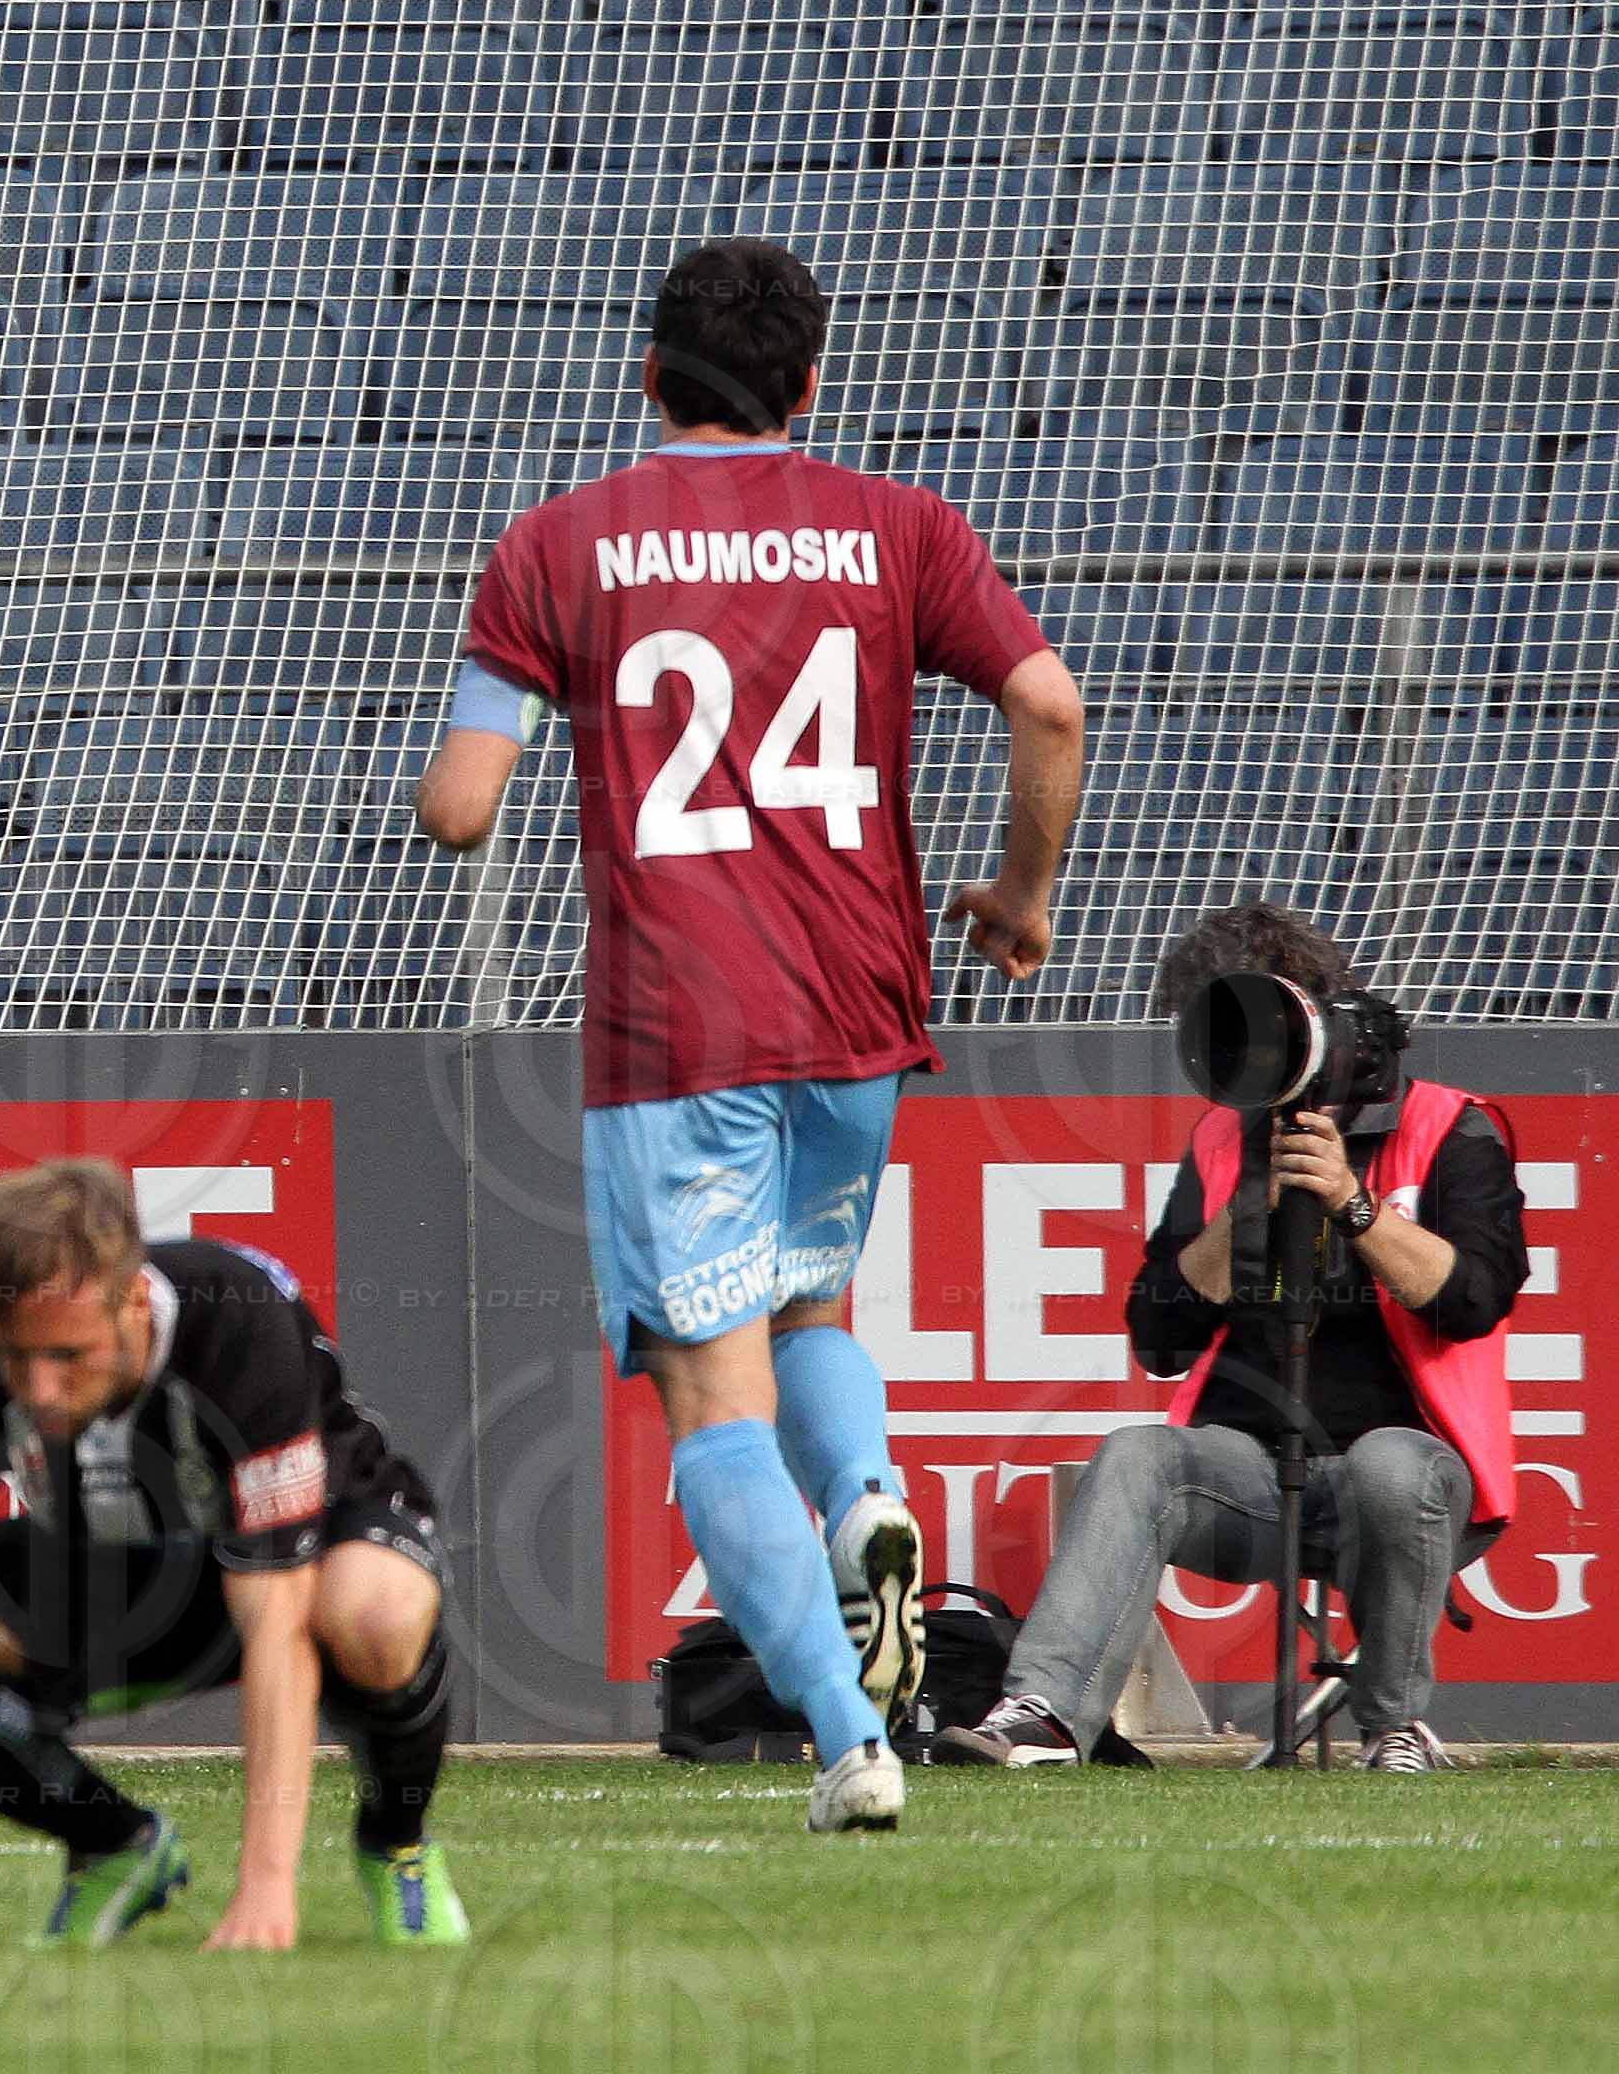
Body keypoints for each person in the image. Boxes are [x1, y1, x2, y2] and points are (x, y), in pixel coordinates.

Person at [412, 238, 1087, 1833]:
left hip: (678, 1034)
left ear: (648, 377)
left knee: (711, 1400)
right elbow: (1050, 703)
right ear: (808, 387)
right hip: (860, 1007)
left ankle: (851, 1742)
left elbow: (458, 809)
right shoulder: (898, 526)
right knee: (813, 1308)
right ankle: (869, 1502)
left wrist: (479, 764)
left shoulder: (557, 546)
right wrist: (1023, 894)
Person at [0, 1161, 465, 1954]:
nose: (39, 1388)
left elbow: (276, 1622)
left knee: (376, 1610)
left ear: (132, 1302)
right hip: (125, 1575)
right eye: (17, 1357)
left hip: (307, 1566)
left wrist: (265, 1892)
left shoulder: (239, 1321)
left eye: (68, 1356)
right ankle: (115, 1844)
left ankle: (395, 1843)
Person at [943, 903, 1525, 1773]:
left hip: (1414, 1480)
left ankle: (1394, 1730)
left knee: (1389, 1467)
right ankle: (1047, 1718)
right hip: (1254, 1483)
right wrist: (1247, 1204)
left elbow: (1475, 1300)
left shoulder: (1451, 1126)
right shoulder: (1224, 1141)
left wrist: (1349, 1203)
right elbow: (1159, 1335)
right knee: (1139, 1456)